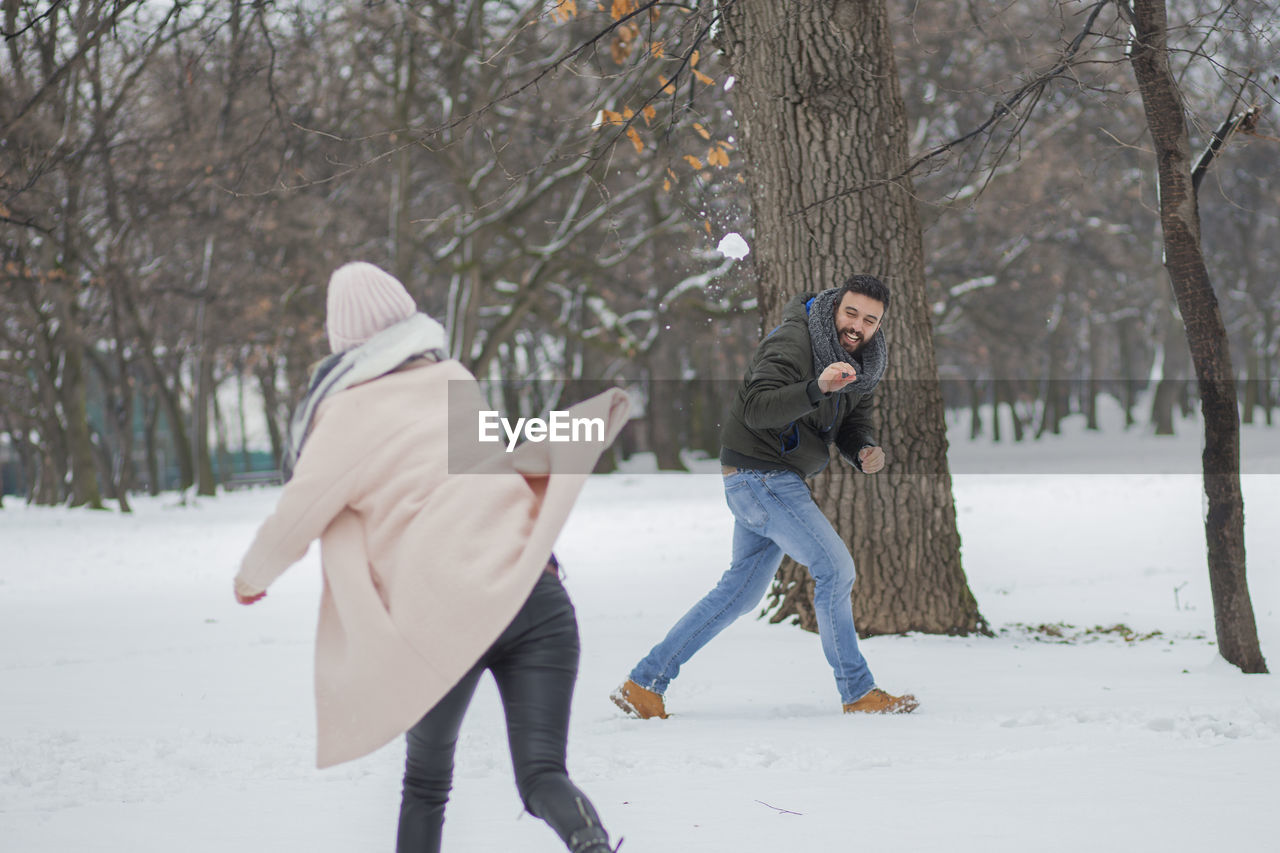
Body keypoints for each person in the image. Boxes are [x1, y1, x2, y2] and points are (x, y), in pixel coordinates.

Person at [234, 262, 629, 853]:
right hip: (537, 597)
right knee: (542, 775)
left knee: (425, 784)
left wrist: (250, 579)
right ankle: (591, 842)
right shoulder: (455, 378)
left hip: (447, 617)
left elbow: (297, 514)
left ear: (343, 343)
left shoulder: (345, 415)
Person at [612, 274, 918, 719]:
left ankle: (643, 684)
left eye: (870, 320)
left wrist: (863, 450)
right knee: (835, 569)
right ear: (835, 307)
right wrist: (818, 388)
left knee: (740, 594)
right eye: (851, 313)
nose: (857, 326)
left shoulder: (866, 363)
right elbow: (757, 408)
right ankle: (858, 692)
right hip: (760, 474)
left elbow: (854, 422)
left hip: (767, 478)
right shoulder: (795, 340)